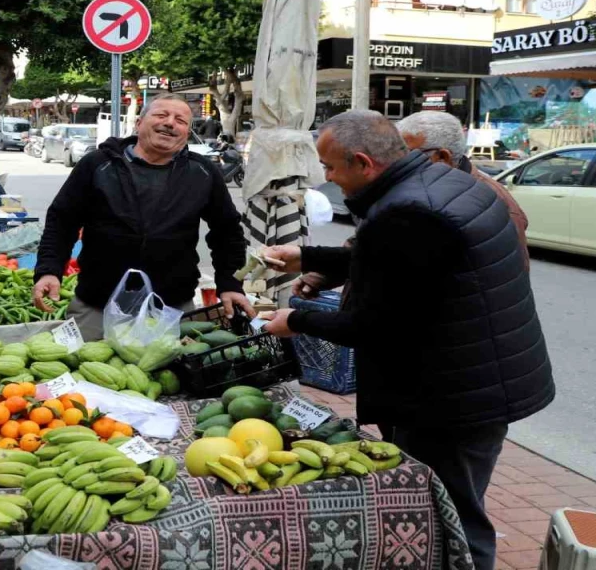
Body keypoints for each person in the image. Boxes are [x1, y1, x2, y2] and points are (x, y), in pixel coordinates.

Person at [259, 109, 554, 570]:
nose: (329, 179)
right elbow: (393, 263)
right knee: (456, 503)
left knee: (451, 513)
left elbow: (370, 325)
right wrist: (306, 257)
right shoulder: (443, 182)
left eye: (332, 168)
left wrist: (294, 322)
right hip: (476, 380)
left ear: (363, 162)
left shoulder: (408, 210)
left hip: (451, 396)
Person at [32, 93, 252, 333]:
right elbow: (62, 221)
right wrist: (49, 270)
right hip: (97, 306)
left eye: (180, 120)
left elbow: (227, 231)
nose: (169, 122)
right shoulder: (97, 164)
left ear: (187, 133)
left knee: (173, 370)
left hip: (172, 308)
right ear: (138, 123)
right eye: (161, 115)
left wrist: (229, 283)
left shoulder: (202, 172)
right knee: (88, 367)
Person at [397, 111, 529, 264]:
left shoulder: (493, 200)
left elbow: (510, 271)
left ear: (442, 158)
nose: (400, 161)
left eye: (408, 154)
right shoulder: (430, 187)